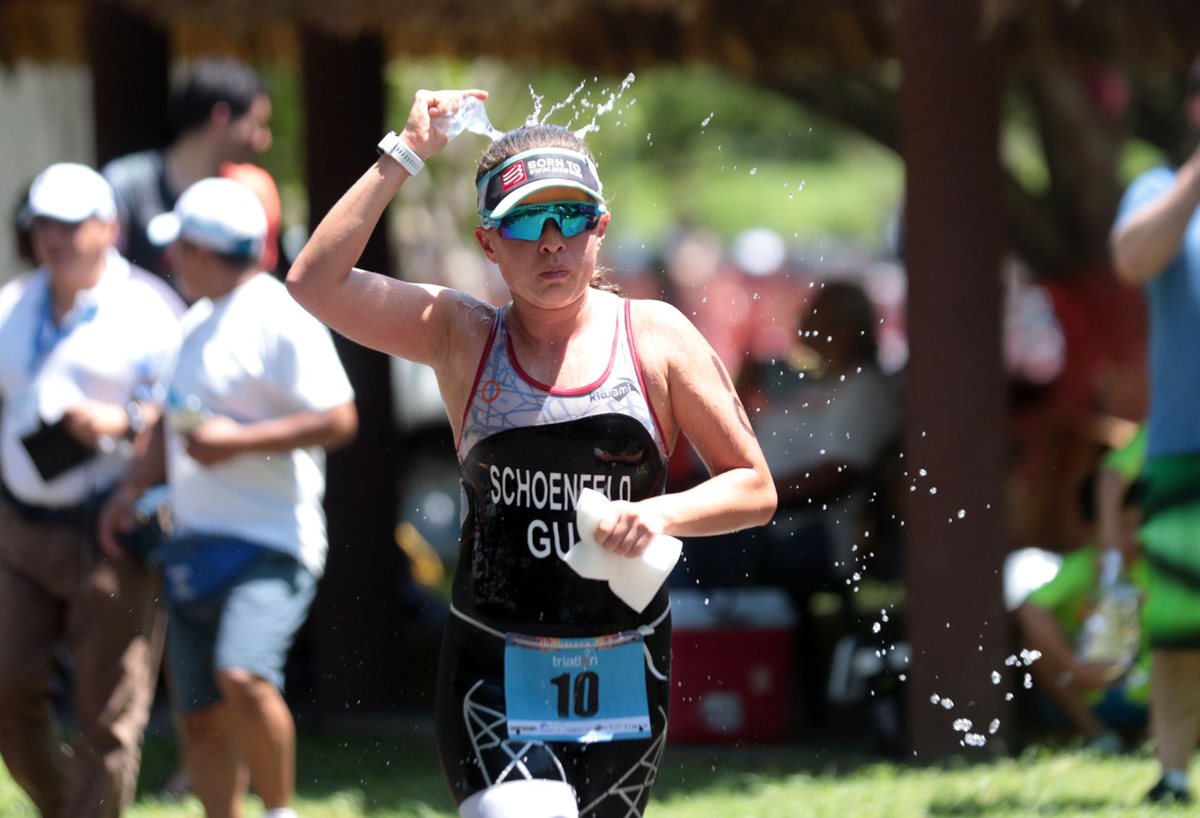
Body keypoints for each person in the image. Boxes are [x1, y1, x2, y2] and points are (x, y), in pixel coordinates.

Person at [286, 89, 776, 818]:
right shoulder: (462, 335)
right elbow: (313, 282)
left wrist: (662, 515)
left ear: (600, 229)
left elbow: (753, 488)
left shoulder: (658, 339)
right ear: (489, 242)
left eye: (572, 217)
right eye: (525, 222)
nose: (551, 240)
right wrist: (407, 151)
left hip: (624, 660)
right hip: (494, 661)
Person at [98, 177, 357, 818]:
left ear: (207, 251)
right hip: (194, 543)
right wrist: (131, 489)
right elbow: (168, 420)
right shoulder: (195, 322)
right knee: (199, 716)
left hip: (272, 542)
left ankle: (278, 811)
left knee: (243, 676)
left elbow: (339, 417)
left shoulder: (280, 316)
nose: (170, 261)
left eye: (179, 247)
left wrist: (238, 441)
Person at [0, 162, 182, 818]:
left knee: (107, 715)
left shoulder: (153, 309)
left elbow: (184, 415)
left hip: (113, 531)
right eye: (44, 224)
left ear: (109, 227)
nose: (55, 238)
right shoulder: (12, 303)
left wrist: (121, 423)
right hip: (21, 528)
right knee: (7, 688)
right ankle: (63, 807)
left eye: (71, 225)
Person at [747, 280, 902, 726]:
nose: (806, 323)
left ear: (851, 327)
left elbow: (840, 474)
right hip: (767, 518)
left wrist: (754, 500)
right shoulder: (820, 383)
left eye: (819, 314)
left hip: (813, 532)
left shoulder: (867, 390)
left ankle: (738, 702)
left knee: (693, 555)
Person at [1110, 57, 1200, 804]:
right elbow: (1133, 258)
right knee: (1178, 629)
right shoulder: (1159, 190)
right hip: (1182, 448)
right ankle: (1173, 774)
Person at [101, 56, 279, 289]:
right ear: (221, 116)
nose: (264, 140)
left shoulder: (248, 192)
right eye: (256, 124)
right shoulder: (125, 184)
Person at [1014, 449, 1150, 753]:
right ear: (1091, 531)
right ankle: (1097, 734)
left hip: (1146, 693)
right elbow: (1030, 608)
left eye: (1137, 526)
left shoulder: (1151, 569)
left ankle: (1153, 739)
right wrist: (1074, 667)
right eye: (1122, 527)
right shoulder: (1082, 566)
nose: (1133, 538)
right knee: (1033, 645)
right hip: (1088, 690)